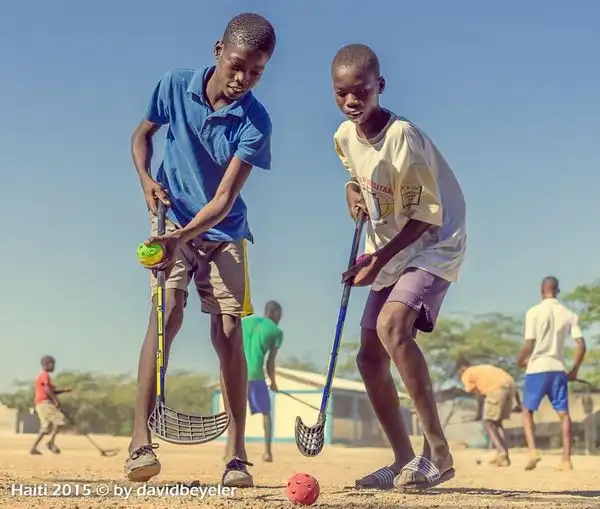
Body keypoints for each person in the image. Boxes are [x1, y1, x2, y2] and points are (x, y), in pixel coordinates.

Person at [123, 12, 276, 488]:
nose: (242, 79)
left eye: (256, 72)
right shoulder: (174, 86)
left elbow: (225, 199)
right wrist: (146, 180)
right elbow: (141, 135)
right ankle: (138, 443)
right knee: (165, 314)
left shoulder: (256, 121)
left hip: (223, 233)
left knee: (229, 332)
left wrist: (180, 239)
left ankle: (236, 454)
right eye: (237, 66)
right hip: (170, 222)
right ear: (217, 51)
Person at [331, 44, 467, 490]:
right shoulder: (344, 136)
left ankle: (439, 453)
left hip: (432, 243)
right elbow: (359, 174)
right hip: (388, 247)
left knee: (393, 327)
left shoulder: (402, 136)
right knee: (369, 358)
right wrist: (352, 190)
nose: (352, 101)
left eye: (361, 91)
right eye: (342, 93)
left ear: (379, 87)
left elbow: (427, 215)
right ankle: (403, 458)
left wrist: (376, 260)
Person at [518, 276, 586, 471]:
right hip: (558, 369)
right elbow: (581, 345)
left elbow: (529, 344)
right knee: (564, 415)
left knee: (527, 411)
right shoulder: (569, 314)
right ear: (558, 290)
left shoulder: (533, 312)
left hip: (536, 368)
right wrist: (574, 370)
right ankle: (566, 460)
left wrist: (520, 360)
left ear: (542, 290)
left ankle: (533, 450)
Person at [234, 300, 283, 463]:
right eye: (280, 315)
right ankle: (268, 452)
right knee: (266, 414)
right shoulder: (276, 331)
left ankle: (231, 449)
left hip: (236, 372)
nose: (280, 318)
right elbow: (270, 362)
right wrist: (273, 382)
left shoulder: (245, 322)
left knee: (234, 413)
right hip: (255, 375)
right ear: (274, 312)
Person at [454, 360, 517, 466]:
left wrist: (479, 413)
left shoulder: (467, 373)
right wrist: (518, 403)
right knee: (497, 423)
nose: (460, 376)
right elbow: (507, 380)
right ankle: (504, 456)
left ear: (462, 368)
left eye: (458, 373)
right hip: (510, 384)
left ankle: (501, 452)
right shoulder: (483, 368)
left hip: (496, 388)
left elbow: (478, 394)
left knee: (487, 422)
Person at [30, 356, 71, 455]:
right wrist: (55, 401)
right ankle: (50, 442)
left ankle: (33, 448)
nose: (54, 367)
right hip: (45, 403)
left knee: (46, 428)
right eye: (53, 364)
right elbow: (47, 390)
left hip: (40, 403)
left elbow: (50, 390)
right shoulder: (44, 375)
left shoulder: (42, 376)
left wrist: (63, 391)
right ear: (48, 364)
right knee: (60, 421)